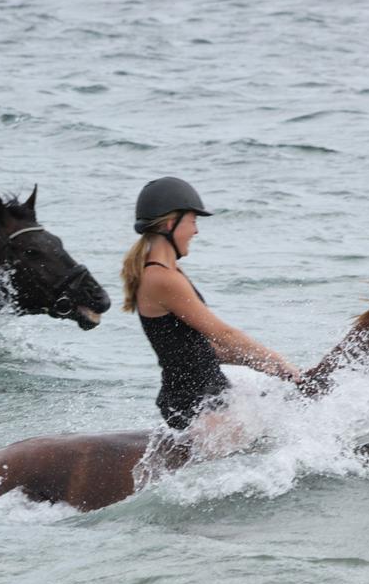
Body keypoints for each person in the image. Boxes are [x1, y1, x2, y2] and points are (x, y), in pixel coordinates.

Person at [121, 176, 300, 431]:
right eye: (192, 221)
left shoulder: (170, 273)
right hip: (194, 403)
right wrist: (280, 360)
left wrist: (263, 365)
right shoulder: (161, 278)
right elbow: (224, 334)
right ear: (171, 223)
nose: (196, 230)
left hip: (211, 392)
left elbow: (200, 349)